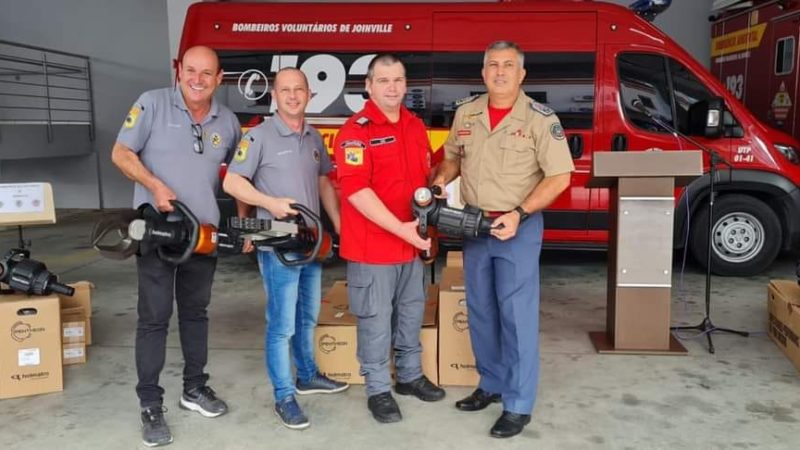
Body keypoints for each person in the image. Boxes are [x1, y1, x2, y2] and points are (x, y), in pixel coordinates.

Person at [432, 41, 574, 438]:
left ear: (521, 74)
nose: (499, 72)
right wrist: (443, 180)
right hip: (474, 228)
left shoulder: (539, 119)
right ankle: (491, 384)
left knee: (516, 316)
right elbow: (453, 156)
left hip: (518, 230)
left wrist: (520, 214)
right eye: (492, 65)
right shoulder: (467, 113)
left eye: (508, 66)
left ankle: (518, 402)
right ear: (483, 73)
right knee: (481, 311)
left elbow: (560, 176)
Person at [111, 45, 242, 447]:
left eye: (206, 73)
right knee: (153, 318)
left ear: (219, 78)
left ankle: (194, 389)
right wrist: (154, 186)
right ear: (178, 70)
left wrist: (243, 224)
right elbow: (120, 152)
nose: (197, 80)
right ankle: (150, 404)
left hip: (202, 236)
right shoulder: (151, 105)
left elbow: (240, 175)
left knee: (196, 313)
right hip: (157, 232)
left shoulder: (229, 121)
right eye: (190, 71)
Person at [222, 67, 348, 430]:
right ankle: (283, 395)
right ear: (274, 95)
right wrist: (269, 202)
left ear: (309, 95)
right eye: (285, 90)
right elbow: (233, 181)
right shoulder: (258, 136)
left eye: (299, 90)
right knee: (281, 326)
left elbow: (324, 179)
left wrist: (337, 224)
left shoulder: (312, 137)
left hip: (311, 241)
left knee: (307, 317)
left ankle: (307, 375)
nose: (292, 96)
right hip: (276, 240)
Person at [333, 54, 446, 424]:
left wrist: (427, 231)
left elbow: (422, 186)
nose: (393, 87)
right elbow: (356, 191)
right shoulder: (356, 131)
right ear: (368, 85)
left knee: (412, 312)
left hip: (411, 245)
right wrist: (401, 230)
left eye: (398, 80)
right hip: (372, 248)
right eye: (384, 80)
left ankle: (409, 377)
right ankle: (379, 388)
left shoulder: (415, 126)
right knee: (375, 320)